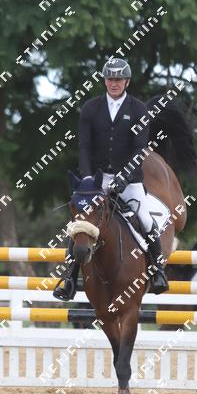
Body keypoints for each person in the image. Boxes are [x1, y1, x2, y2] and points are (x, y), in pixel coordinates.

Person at [54, 57, 169, 301]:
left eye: (118, 79)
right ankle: (70, 278)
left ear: (127, 81)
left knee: (146, 220)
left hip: (129, 180)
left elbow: (140, 148)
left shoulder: (138, 109)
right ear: (105, 81)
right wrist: (87, 178)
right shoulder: (90, 108)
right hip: (97, 179)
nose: (114, 83)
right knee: (80, 223)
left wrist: (124, 176)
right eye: (110, 79)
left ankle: (158, 271)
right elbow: (84, 146)